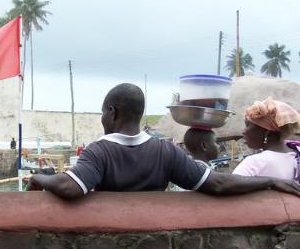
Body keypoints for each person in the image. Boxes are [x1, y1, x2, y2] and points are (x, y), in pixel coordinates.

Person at [25, 83, 300, 198]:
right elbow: (217, 184)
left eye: (102, 112)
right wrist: (271, 182)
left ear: (112, 112)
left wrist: (40, 178)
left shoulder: (100, 152)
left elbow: (70, 188)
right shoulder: (165, 151)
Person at [233, 98, 300, 181]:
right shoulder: (296, 155)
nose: (243, 131)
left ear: (267, 133)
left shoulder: (254, 163)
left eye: (247, 125)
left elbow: (228, 190)